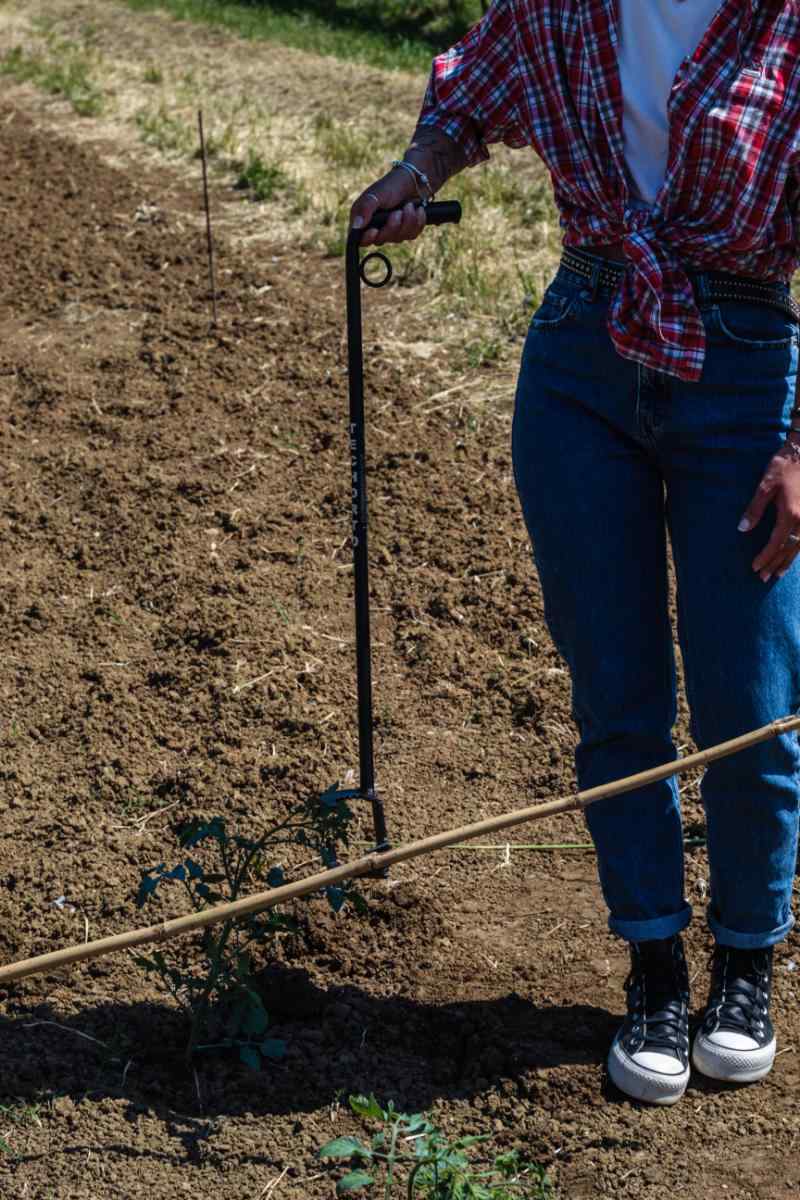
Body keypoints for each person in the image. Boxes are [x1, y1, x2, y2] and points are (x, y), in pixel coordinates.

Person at [350, 0, 800, 1106]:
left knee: (748, 699)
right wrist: (417, 170)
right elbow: (473, 85)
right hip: (578, 361)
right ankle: (652, 967)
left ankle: (744, 963)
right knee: (613, 693)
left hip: (744, 377)